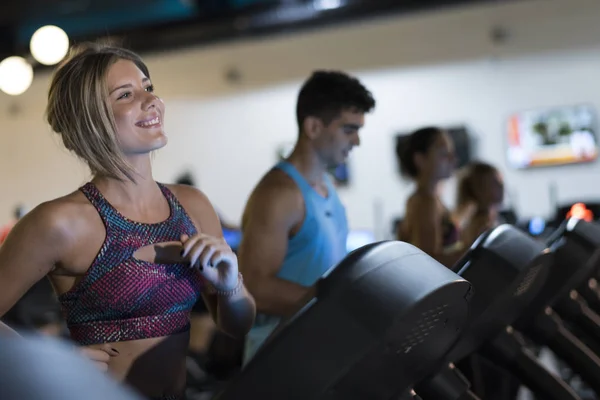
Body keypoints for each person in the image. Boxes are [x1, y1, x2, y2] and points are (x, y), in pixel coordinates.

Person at [0, 43, 255, 400]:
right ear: (91, 118)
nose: (151, 100)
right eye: (126, 94)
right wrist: (51, 362)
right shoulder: (60, 222)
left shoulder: (192, 205)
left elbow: (237, 324)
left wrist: (231, 283)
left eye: (148, 87)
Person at [239, 70, 376, 363]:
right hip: (281, 366)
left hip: (320, 355)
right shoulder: (279, 194)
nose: (357, 141)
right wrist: (339, 301)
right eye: (349, 129)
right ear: (313, 127)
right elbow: (253, 287)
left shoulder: (327, 187)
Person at [396, 126, 464, 268]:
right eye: (444, 153)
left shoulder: (431, 198)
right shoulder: (425, 202)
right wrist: (472, 251)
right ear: (420, 159)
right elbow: (429, 262)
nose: (453, 159)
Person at [453, 161, 504, 247]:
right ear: (479, 189)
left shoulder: (491, 219)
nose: (501, 186)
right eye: (495, 182)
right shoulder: (480, 226)